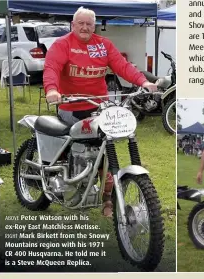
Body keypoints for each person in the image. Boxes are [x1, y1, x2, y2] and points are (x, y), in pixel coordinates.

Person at [43, 6, 158, 217]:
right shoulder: (63, 45)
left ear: (94, 26)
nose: (85, 27)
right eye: (81, 23)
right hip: (72, 106)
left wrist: (143, 81)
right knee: (81, 145)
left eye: (89, 24)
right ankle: (71, 180)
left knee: (104, 147)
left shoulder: (103, 45)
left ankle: (107, 198)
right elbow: (52, 68)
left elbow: (123, 66)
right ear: (73, 25)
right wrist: (52, 89)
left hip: (99, 106)